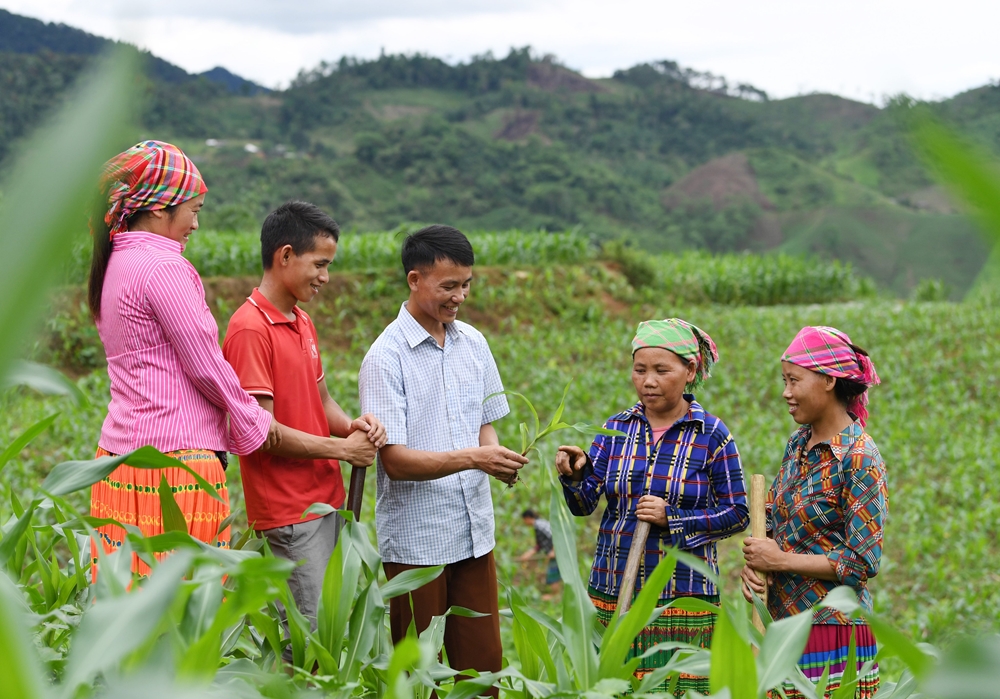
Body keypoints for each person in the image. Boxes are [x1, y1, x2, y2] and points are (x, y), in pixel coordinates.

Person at [88, 140, 280, 576]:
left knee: (128, 597)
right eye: (192, 210)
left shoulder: (113, 262)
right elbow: (205, 364)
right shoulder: (164, 268)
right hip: (176, 465)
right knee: (185, 606)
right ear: (159, 208)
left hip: (118, 460)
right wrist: (252, 418)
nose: (195, 223)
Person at [358, 225, 528, 695]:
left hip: (473, 530)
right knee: (418, 675)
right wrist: (476, 457)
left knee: (483, 669)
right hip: (418, 543)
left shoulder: (473, 342)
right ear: (415, 280)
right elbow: (396, 461)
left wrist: (492, 453)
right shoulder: (385, 358)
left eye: (466, 285)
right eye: (448, 286)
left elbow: (485, 420)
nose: (460, 297)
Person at [221, 201, 386, 655]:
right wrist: (341, 450)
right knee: (308, 640)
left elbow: (321, 400)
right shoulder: (249, 329)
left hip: (324, 501)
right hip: (290, 514)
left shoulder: (301, 320)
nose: (325, 277)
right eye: (320, 264)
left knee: (329, 627)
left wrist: (353, 424)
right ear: (286, 255)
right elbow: (264, 433)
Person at [556, 318, 748, 696]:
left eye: (662, 370)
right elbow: (584, 503)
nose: (648, 381)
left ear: (689, 370)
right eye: (640, 369)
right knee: (618, 687)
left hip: (682, 598)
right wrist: (577, 475)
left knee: (680, 690)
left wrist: (672, 518)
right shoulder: (617, 429)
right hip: (613, 588)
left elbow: (738, 513)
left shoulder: (711, 435)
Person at [741, 326, 886, 699]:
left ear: (827, 380)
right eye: (784, 381)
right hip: (781, 627)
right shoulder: (798, 444)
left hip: (832, 634)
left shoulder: (860, 458)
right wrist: (757, 566)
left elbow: (860, 562)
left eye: (794, 380)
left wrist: (781, 560)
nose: (786, 393)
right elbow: (772, 518)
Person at [518, 509, 561, 594]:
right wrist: (528, 554)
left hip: (557, 551)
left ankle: (554, 596)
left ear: (527, 518)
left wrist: (554, 550)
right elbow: (539, 545)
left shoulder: (539, 525)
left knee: (553, 573)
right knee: (554, 572)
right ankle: (555, 595)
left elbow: (555, 535)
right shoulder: (538, 526)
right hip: (554, 551)